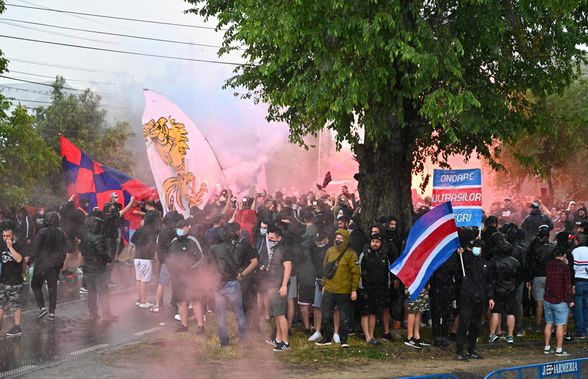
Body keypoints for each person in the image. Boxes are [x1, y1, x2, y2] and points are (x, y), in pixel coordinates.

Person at [208, 223, 255, 347]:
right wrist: (239, 274)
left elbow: (210, 266)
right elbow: (236, 263)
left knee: (221, 314)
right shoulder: (232, 247)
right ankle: (244, 340)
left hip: (218, 284)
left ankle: (224, 342)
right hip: (232, 282)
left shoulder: (213, 248)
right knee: (239, 312)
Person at [315, 229, 359, 348]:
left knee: (344, 317)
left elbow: (355, 273)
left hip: (344, 291)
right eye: (337, 237)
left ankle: (344, 340)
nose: (338, 240)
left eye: (341, 238)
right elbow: (325, 269)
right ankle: (327, 337)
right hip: (329, 289)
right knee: (326, 315)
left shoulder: (351, 254)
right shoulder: (330, 251)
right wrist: (324, 284)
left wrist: (354, 289)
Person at [166, 219, 206, 333]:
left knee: (195, 300)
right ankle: (184, 325)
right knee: (181, 301)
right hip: (177, 277)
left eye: (181, 228)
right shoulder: (174, 241)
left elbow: (200, 257)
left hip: (191, 276)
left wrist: (190, 267)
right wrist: (173, 269)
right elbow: (169, 257)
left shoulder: (192, 240)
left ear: (187, 228)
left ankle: (200, 326)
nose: (179, 230)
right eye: (177, 228)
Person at [455, 241, 489, 361]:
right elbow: (462, 259)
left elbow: (487, 282)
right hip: (467, 296)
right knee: (464, 323)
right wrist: (461, 253)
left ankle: (471, 349)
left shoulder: (485, 263)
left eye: (479, 247)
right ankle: (459, 351)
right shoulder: (467, 259)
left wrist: (489, 297)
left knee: (476, 325)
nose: (477, 249)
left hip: (480, 298)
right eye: (475, 246)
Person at [30, 212, 67, 320]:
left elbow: (35, 248)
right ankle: (52, 313)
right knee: (52, 288)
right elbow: (64, 249)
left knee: (36, 285)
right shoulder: (61, 233)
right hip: (55, 266)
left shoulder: (42, 232)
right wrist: (60, 262)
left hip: (42, 264)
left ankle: (42, 308)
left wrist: (30, 261)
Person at [79, 216, 118, 322]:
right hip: (97, 268)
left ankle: (93, 314)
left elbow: (81, 251)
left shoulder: (84, 237)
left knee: (91, 292)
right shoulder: (95, 238)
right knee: (103, 291)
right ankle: (106, 314)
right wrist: (109, 259)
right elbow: (101, 252)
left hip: (87, 267)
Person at [487, 232, 520, 344]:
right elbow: (519, 276)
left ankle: (492, 334)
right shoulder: (515, 262)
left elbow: (489, 279)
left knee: (495, 312)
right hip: (510, 289)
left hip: (497, 290)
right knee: (511, 313)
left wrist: (490, 294)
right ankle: (510, 335)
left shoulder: (493, 262)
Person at [264, 227, 293, 352]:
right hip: (272, 283)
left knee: (280, 314)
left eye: (272, 238)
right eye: (269, 237)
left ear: (279, 237)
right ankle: (278, 339)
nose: (270, 240)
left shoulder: (284, 249)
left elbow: (288, 267)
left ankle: (285, 342)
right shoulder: (276, 248)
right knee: (276, 314)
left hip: (279, 285)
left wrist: (284, 285)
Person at [358, 233, 389, 345]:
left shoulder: (384, 256)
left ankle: (371, 334)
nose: (375, 244)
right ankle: (367, 336)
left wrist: (386, 288)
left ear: (380, 243)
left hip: (379, 289)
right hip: (366, 289)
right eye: (373, 242)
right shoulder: (365, 255)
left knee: (374, 313)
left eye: (377, 242)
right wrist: (361, 288)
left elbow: (387, 274)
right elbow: (359, 272)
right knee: (365, 313)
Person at [544, 246, 574, 356]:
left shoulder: (548, 264)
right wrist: (570, 299)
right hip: (560, 300)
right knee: (560, 325)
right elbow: (567, 284)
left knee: (548, 323)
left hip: (548, 298)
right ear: (563, 255)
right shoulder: (564, 267)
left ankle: (547, 347)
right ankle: (559, 349)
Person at [527, 225, 555, 331]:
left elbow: (532, 264)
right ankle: (550, 325)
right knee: (551, 301)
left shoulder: (536, 248)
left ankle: (538, 325)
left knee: (539, 302)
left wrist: (529, 278)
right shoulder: (553, 248)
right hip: (551, 276)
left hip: (538, 276)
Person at [0, 226, 25, 336]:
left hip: (15, 281)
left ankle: (17, 327)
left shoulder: (18, 245)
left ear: (13, 235)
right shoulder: (1, 245)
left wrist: (10, 247)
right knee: (1, 304)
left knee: (14, 305)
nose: (6, 238)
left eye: (8, 236)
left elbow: (19, 259)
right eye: (4, 236)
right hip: (3, 280)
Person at [131, 212, 159, 308]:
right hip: (146, 258)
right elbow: (154, 244)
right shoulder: (152, 231)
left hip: (137, 257)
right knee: (144, 280)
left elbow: (133, 240)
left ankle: (139, 300)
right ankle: (144, 301)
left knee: (138, 279)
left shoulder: (139, 229)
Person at [572, 233, 588, 338]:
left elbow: (573, 267)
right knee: (586, 306)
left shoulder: (575, 251)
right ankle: (586, 327)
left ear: (577, 241)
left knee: (578, 307)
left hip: (578, 281)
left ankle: (580, 331)